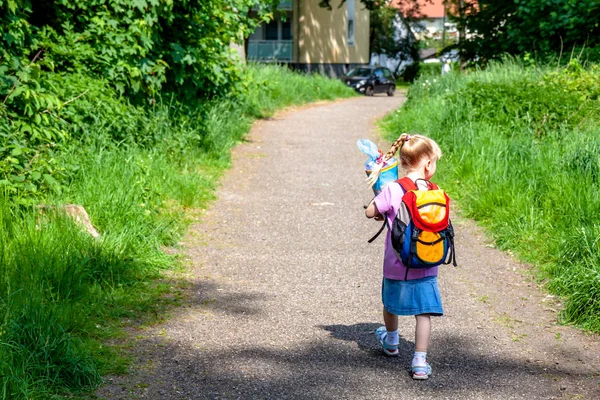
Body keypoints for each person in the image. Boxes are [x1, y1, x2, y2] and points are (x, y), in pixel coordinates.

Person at [365, 133, 444, 380]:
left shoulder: (393, 188)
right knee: (424, 313)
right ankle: (420, 362)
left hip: (397, 263)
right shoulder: (435, 190)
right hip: (427, 261)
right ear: (428, 164)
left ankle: (391, 341)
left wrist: (380, 208)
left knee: (390, 304)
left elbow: (370, 212)